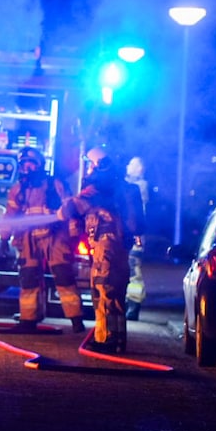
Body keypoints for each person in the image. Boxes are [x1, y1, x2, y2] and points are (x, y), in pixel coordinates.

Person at [60, 146, 142, 351]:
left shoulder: (96, 189)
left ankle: (105, 339)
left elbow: (71, 209)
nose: (87, 169)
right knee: (116, 292)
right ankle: (118, 339)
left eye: (90, 164)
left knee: (102, 289)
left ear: (97, 166)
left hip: (105, 246)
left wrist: (59, 212)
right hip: (120, 247)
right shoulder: (123, 188)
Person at [0, 146, 84, 333]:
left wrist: (73, 235)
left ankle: (76, 318)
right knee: (29, 278)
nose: (27, 168)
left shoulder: (56, 184)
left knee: (64, 276)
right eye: (23, 165)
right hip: (28, 237)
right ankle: (29, 320)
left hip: (55, 236)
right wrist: (4, 236)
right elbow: (10, 215)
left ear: (39, 165)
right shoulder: (18, 190)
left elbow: (70, 209)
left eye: (30, 164)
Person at [124, 156, 149, 320]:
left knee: (134, 271)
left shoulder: (140, 186)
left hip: (134, 236)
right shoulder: (127, 184)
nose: (128, 166)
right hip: (127, 234)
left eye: (132, 164)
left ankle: (133, 306)